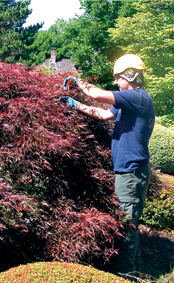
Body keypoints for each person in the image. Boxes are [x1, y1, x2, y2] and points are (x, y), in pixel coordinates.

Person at [60, 54, 155, 275]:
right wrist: (76, 105)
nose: (115, 82)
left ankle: (125, 274)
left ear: (129, 76)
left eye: (118, 78)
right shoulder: (129, 102)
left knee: (127, 223)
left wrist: (77, 81)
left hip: (132, 173)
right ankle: (128, 267)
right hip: (128, 171)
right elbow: (103, 114)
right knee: (127, 219)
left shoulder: (137, 97)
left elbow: (98, 95)